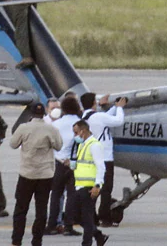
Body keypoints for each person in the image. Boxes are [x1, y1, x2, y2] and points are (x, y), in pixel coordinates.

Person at [9, 102, 63, 246]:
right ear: (44, 113)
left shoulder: (23, 128)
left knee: (21, 209)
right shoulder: (51, 129)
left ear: (31, 114)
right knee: (41, 210)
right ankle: (37, 240)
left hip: (27, 173)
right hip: (45, 175)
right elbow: (59, 145)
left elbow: (13, 144)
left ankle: (16, 240)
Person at [80, 93, 127, 227]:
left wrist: (113, 107)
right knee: (106, 189)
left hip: (91, 158)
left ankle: (92, 217)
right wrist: (120, 108)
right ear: (94, 103)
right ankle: (105, 218)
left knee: (93, 188)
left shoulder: (85, 117)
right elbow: (118, 121)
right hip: (105, 157)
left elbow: (104, 118)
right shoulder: (98, 116)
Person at [45, 97, 83, 236]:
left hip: (57, 162)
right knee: (72, 195)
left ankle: (52, 224)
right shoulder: (80, 124)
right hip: (73, 163)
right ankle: (68, 225)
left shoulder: (56, 124)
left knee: (55, 194)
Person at [72, 120, 109, 246]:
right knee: (75, 216)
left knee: (87, 218)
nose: (75, 135)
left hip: (89, 187)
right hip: (79, 185)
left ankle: (86, 243)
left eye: (76, 132)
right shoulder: (83, 144)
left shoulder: (94, 145)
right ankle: (98, 235)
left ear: (83, 131)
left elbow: (101, 166)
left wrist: (97, 185)